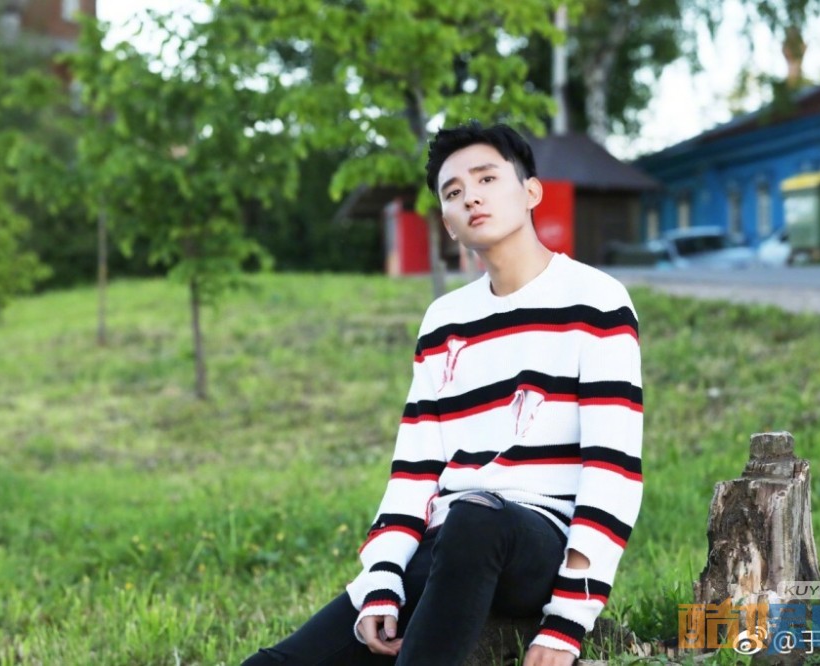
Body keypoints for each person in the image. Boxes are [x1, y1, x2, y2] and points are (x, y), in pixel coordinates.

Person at [242, 122, 643, 666]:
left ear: (531, 191)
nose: (470, 196)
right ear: (448, 224)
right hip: (446, 541)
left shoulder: (596, 299)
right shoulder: (444, 320)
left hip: (535, 542)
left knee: (477, 520)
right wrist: (383, 578)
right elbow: (414, 469)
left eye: (487, 179)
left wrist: (568, 620)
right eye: (453, 192)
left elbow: (612, 470)